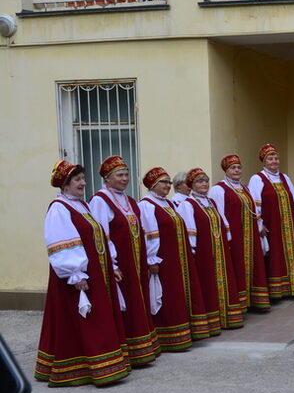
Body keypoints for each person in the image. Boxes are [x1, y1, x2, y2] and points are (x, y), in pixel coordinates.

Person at [36, 161, 131, 386]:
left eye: (82, 179)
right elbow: (62, 242)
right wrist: (75, 274)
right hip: (78, 278)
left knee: (96, 318)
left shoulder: (82, 205)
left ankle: (103, 365)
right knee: (85, 321)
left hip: (96, 273)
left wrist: (111, 265)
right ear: (65, 184)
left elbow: (100, 236)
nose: (83, 183)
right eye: (77, 180)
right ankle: (87, 368)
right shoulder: (59, 208)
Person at [90, 155, 161, 367]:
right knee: (126, 304)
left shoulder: (130, 200)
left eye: (127, 174)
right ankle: (128, 349)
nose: (125, 179)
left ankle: (143, 348)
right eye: (120, 175)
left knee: (138, 301)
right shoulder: (100, 200)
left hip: (136, 262)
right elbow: (101, 235)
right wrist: (112, 265)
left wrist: (148, 258)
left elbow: (142, 230)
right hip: (121, 264)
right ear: (108, 178)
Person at [138, 167, 217, 348]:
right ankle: (168, 336)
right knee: (168, 296)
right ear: (153, 185)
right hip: (163, 260)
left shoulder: (170, 204)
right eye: (163, 182)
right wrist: (152, 259)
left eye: (168, 182)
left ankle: (184, 334)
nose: (168, 185)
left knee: (181, 294)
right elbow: (150, 233)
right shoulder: (147, 205)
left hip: (178, 258)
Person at [178, 168, 243, 331]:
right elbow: (189, 231)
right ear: (191, 185)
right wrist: (192, 253)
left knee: (223, 283)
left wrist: (226, 243)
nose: (204, 184)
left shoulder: (211, 202)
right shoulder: (187, 204)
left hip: (220, 252)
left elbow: (224, 223)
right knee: (207, 285)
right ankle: (211, 323)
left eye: (206, 181)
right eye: (200, 181)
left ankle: (226, 319)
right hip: (203, 254)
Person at [248, 144, 294, 299]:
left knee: (291, 255)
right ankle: (276, 291)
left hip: (288, 227)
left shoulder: (285, 177)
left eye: (276, 158)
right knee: (274, 257)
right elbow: (253, 203)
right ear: (264, 161)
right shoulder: (257, 179)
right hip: (272, 226)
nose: (274, 161)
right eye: (270, 158)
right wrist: (259, 224)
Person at [209, 154, 270, 311]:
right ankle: (239, 303)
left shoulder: (244, 188)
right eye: (232, 168)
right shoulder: (218, 189)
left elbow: (254, 210)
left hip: (250, 236)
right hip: (234, 237)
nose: (236, 170)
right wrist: (227, 236)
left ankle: (253, 301)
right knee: (236, 267)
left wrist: (259, 226)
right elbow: (219, 214)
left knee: (253, 266)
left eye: (239, 167)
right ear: (226, 170)